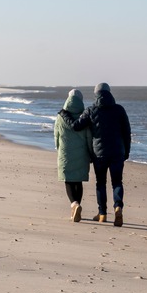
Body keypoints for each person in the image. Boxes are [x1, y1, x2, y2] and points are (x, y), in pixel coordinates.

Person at [58, 83, 131, 227]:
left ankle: (102, 214)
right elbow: (126, 133)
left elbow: (76, 126)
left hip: (99, 154)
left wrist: (64, 114)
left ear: (96, 94)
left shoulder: (91, 110)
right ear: (110, 93)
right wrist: (126, 151)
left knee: (101, 183)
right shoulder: (119, 110)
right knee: (117, 182)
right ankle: (118, 207)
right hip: (117, 152)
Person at [54, 89, 94, 222]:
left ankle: (74, 204)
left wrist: (58, 149)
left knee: (69, 180)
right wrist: (90, 153)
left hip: (66, 153)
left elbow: (56, 135)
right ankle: (77, 205)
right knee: (78, 181)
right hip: (82, 153)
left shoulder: (61, 117)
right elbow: (89, 136)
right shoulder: (84, 116)